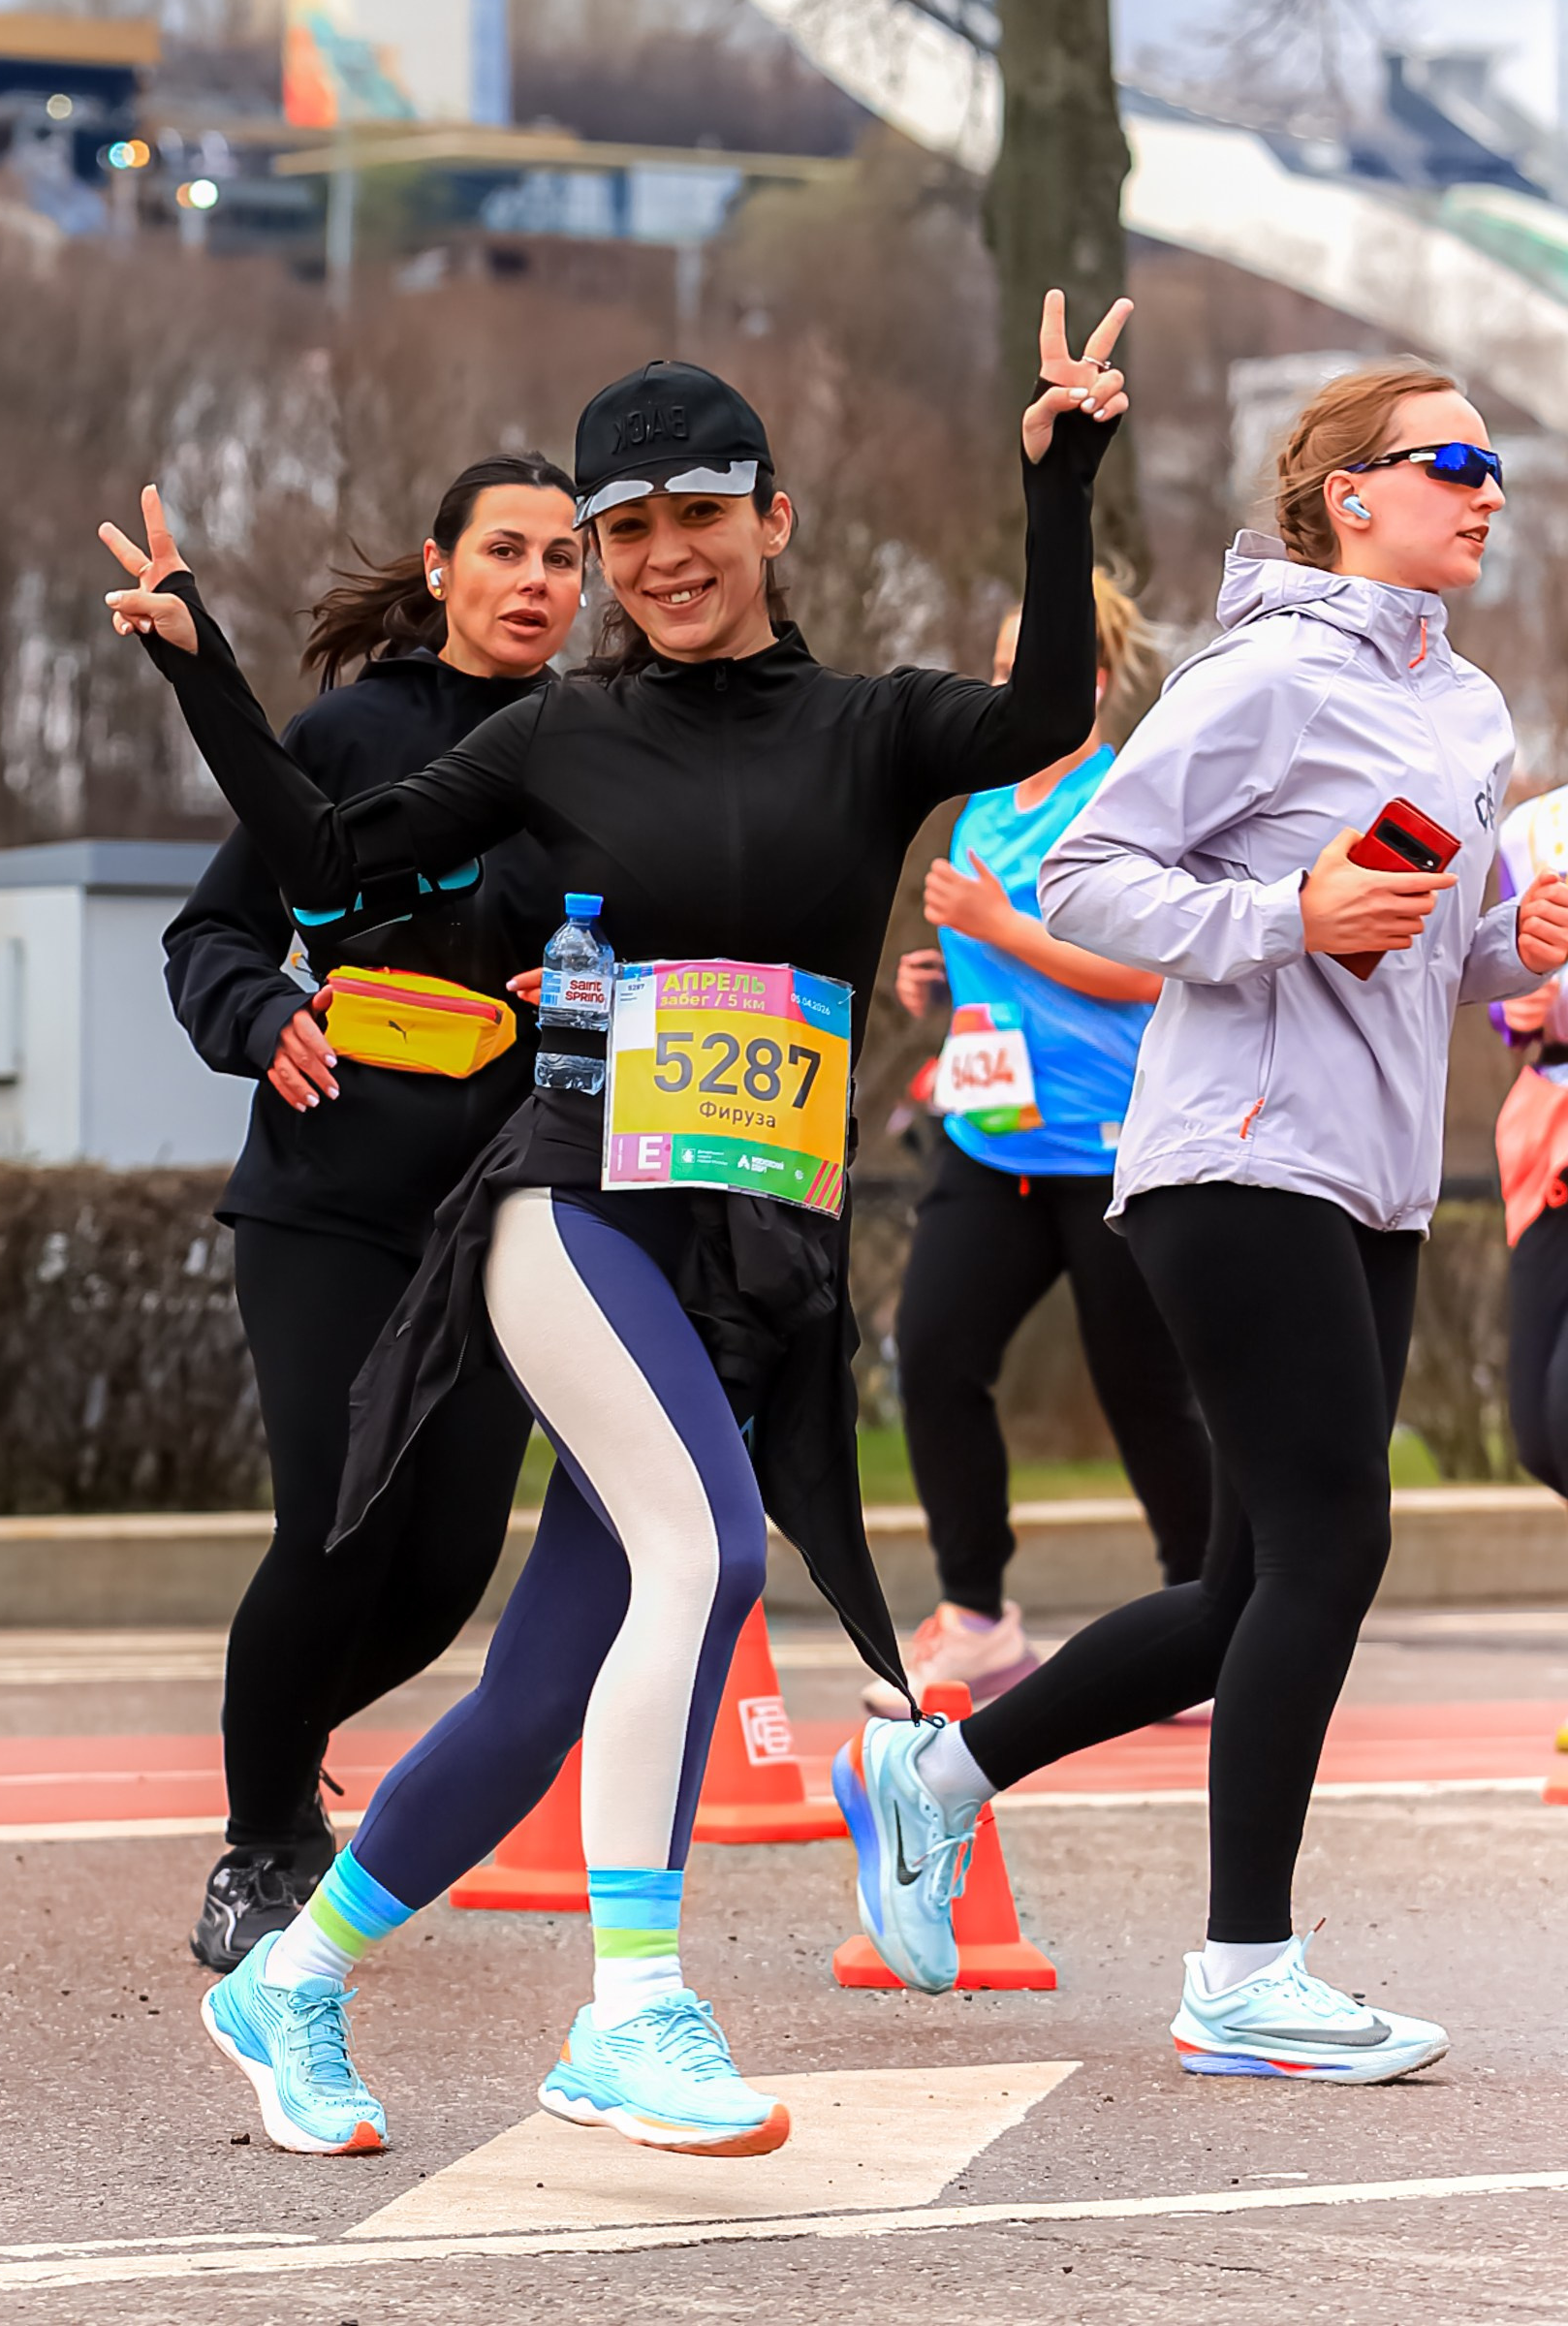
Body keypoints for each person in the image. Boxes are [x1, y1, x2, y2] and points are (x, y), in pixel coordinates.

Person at [102, 298, 1129, 2158]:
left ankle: (292, 1981)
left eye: (697, 518)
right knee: (708, 1557)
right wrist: (205, 672)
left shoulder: (874, 726)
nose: (661, 558)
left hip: (752, 1259)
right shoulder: (558, 736)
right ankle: (634, 2005)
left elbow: (1047, 714)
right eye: (624, 529)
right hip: (571, 1213)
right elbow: (324, 862)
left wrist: (1058, 491)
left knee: (545, 1682)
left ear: (772, 522)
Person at [873, 362, 1568, 2085]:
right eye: (1455, 461)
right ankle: (1243, 1971)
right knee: (1333, 1549)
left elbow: (1424, 951)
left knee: (1245, 1584)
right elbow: (1090, 878)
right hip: (1232, 1155)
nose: (1488, 490)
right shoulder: (1258, 674)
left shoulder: (1467, 708)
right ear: (1349, 494)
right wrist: (1285, 915)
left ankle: (937, 1773)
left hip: (1372, 1178)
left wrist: (1517, 941)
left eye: (1495, 466)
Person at [167, 455, 583, 1967]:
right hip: (329, 1199)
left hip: (507, 1212)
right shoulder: (349, 735)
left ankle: (271, 1733)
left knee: (446, 1565)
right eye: (507, 551)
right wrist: (262, 1013)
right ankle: (262, 1840)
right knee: (337, 1528)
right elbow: (213, 933)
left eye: (563, 558)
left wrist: (594, 995)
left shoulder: (600, 748)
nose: (536, 581)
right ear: (441, 566)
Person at [865, 572, 1208, 1713]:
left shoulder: (1125, 798)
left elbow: (1150, 971)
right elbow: (999, 959)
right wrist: (946, 974)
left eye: (1033, 669)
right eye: (1001, 668)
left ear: (1092, 681)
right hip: (990, 1136)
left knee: (1143, 1391)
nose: (1007, 687)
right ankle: (975, 1616)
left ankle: (1203, 1615)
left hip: (1108, 1143)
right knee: (932, 1353)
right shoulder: (984, 801)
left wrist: (998, 928)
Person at [1487, 791, 1568, 1587]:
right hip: (1551, 1128)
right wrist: (1515, 1009)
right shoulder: (1535, 827)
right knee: (1539, 1435)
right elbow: (1510, 986)